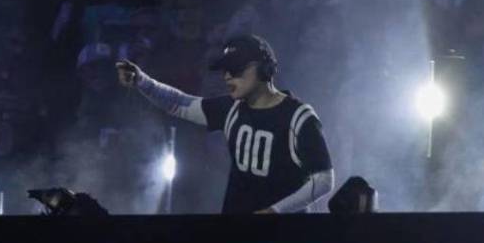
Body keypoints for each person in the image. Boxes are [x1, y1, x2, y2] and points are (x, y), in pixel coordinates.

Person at [116, 34, 335, 214]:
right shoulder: (231, 109)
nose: (228, 77)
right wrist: (142, 81)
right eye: (226, 71)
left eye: (236, 69)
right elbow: (178, 103)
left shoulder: (298, 117)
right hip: (234, 235)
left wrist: (275, 211)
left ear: (264, 69)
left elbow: (324, 179)